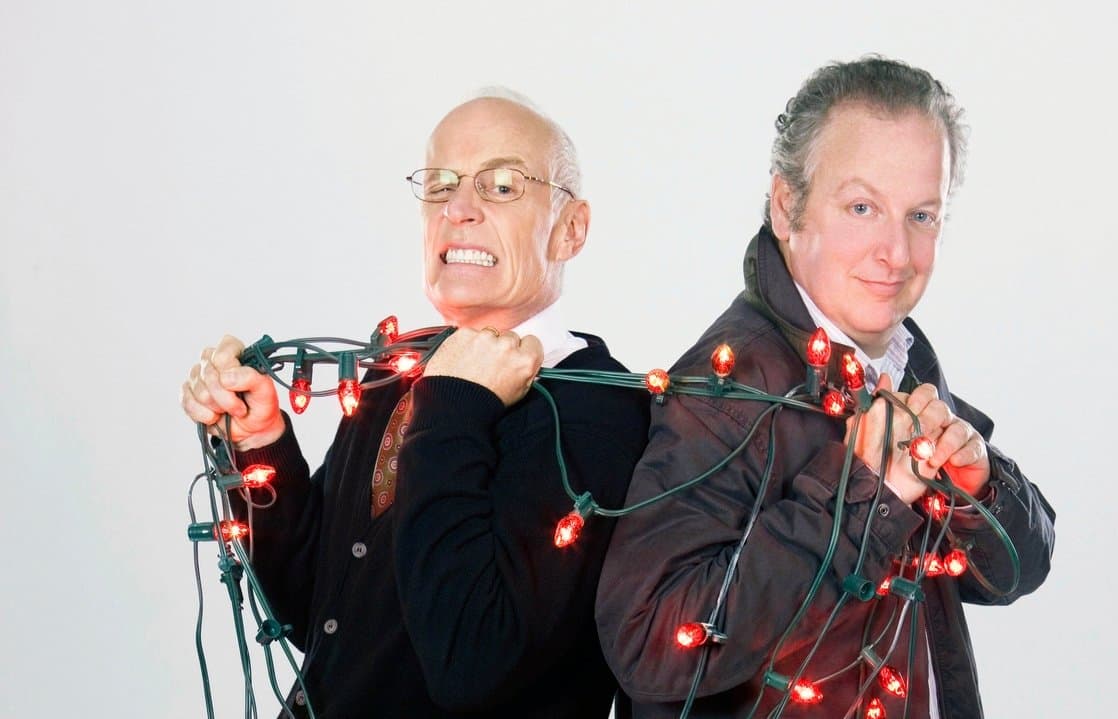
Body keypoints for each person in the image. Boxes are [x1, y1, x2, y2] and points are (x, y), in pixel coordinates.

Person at [595, 57, 1056, 718]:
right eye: (862, 207)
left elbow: (1018, 572)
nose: (896, 253)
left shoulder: (903, 356)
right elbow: (650, 645)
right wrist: (862, 495)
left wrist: (979, 491)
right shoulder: (728, 386)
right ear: (788, 207)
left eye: (922, 215)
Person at [180, 91, 649, 718]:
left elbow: (473, 664)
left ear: (571, 229)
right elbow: (316, 613)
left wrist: (456, 405)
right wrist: (261, 441)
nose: (458, 209)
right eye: (440, 185)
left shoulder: (597, 410)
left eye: (502, 186)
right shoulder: (398, 371)